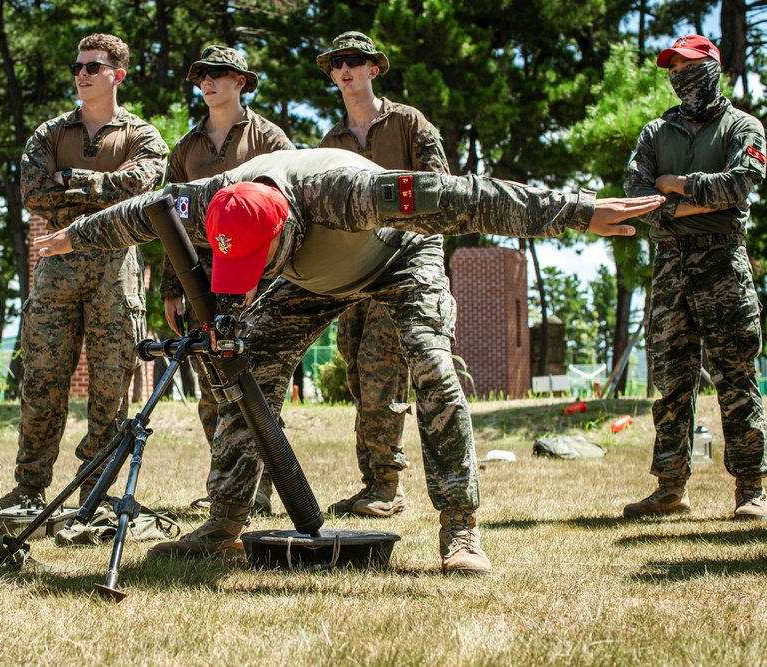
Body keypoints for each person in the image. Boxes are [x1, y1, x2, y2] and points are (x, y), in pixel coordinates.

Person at [32, 148, 663, 574]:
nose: (247, 279)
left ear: (287, 226)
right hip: (314, 278)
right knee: (243, 369)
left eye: (256, 261)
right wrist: (73, 236)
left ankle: (460, 527)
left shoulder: (351, 195)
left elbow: (473, 197)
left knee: (432, 367)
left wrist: (582, 211)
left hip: (398, 260)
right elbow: (141, 211)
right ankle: (224, 518)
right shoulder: (210, 199)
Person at [0, 33, 168, 509]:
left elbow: (142, 190)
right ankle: (29, 487)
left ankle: (95, 491)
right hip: (56, 270)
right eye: (78, 66)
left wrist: (70, 179)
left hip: (116, 271)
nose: (82, 73)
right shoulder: (50, 134)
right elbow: (34, 193)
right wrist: (104, 188)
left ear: (118, 74)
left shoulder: (142, 135)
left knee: (112, 386)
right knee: (43, 379)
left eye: (93, 66)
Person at [623, 34, 767, 520]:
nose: (678, 76)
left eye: (687, 66)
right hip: (668, 266)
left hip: (722, 261)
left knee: (736, 374)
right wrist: (694, 202)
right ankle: (670, 488)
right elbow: (639, 196)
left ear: (711, 66)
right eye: (672, 68)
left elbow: (739, 184)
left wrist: (675, 185)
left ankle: (750, 489)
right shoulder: (653, 134)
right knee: (670, 380)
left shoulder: (743, 127)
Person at [317, 31, 453, 517]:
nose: (345, 69)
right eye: (337, 63)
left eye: (354, 61)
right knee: (358, 373)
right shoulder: (330, 142)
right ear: (331, 74)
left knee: (380, 373)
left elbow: (440, 192)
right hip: (352, 275)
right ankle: (374, 482)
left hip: (402, 267)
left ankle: (388, 487)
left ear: (374, 68)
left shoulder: (409, 123)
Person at [160, 45, 295, 516]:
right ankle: (227, 491)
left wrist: (279, 280)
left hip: (260, 279)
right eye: (201, 75)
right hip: (203, 281)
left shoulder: (270, 139)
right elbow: (171, 220)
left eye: (218, 74)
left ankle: (258, 492)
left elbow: (293, 210)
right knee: (212, 389)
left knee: (258, 388)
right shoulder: (186, 148)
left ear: (240, 81)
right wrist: (171, 288)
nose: (207, 82)